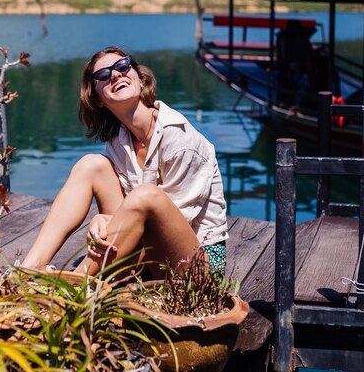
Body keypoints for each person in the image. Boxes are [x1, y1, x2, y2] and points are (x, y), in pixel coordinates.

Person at [22, 46, 228, 278]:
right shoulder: (119, 141)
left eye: (122, 66)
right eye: (103, 75)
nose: (115, 74)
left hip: (197, 266)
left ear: (141, 81)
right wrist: (109, 223)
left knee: (145, 194)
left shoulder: (180, 139)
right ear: (97, 99)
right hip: (146, 257)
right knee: (91, 165)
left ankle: (78, 283)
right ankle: (31, 267)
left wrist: (107, 221)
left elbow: (174, 223)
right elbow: (131, 217)